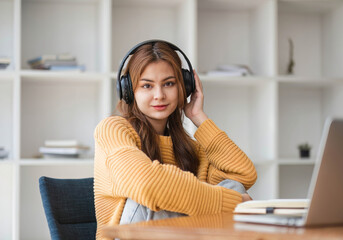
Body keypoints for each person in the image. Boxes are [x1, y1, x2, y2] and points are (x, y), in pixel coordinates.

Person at [93, 40, 257, 239]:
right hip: (129, 233)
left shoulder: (188, 148)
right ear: (129, 92)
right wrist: (229, 203)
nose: (159, 95)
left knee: (232, 187)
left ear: (184, 87)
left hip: (181, 234)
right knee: (144, 198)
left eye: (169, 83)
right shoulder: (112, 129)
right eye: (147, 86)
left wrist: (198, 116)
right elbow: (146, 184)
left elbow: (242, 175)